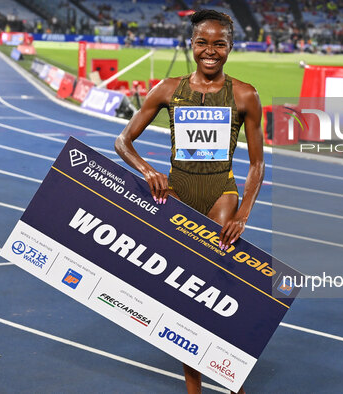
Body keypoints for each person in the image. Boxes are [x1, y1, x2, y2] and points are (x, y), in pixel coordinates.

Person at [115, 9, 263, 394]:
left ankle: (234, 381)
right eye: (202, 42)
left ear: (230, 47)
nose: (210, 51)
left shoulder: (245, 94)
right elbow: (122, 141)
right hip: (177, 192)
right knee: (186, 298)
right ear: (191, 45)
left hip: (221, 194)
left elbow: (258, 163)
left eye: (219, 44)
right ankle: (193, 388)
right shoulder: (167, 89)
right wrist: (148, 171)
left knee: (217, 293)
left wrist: (244, 212)